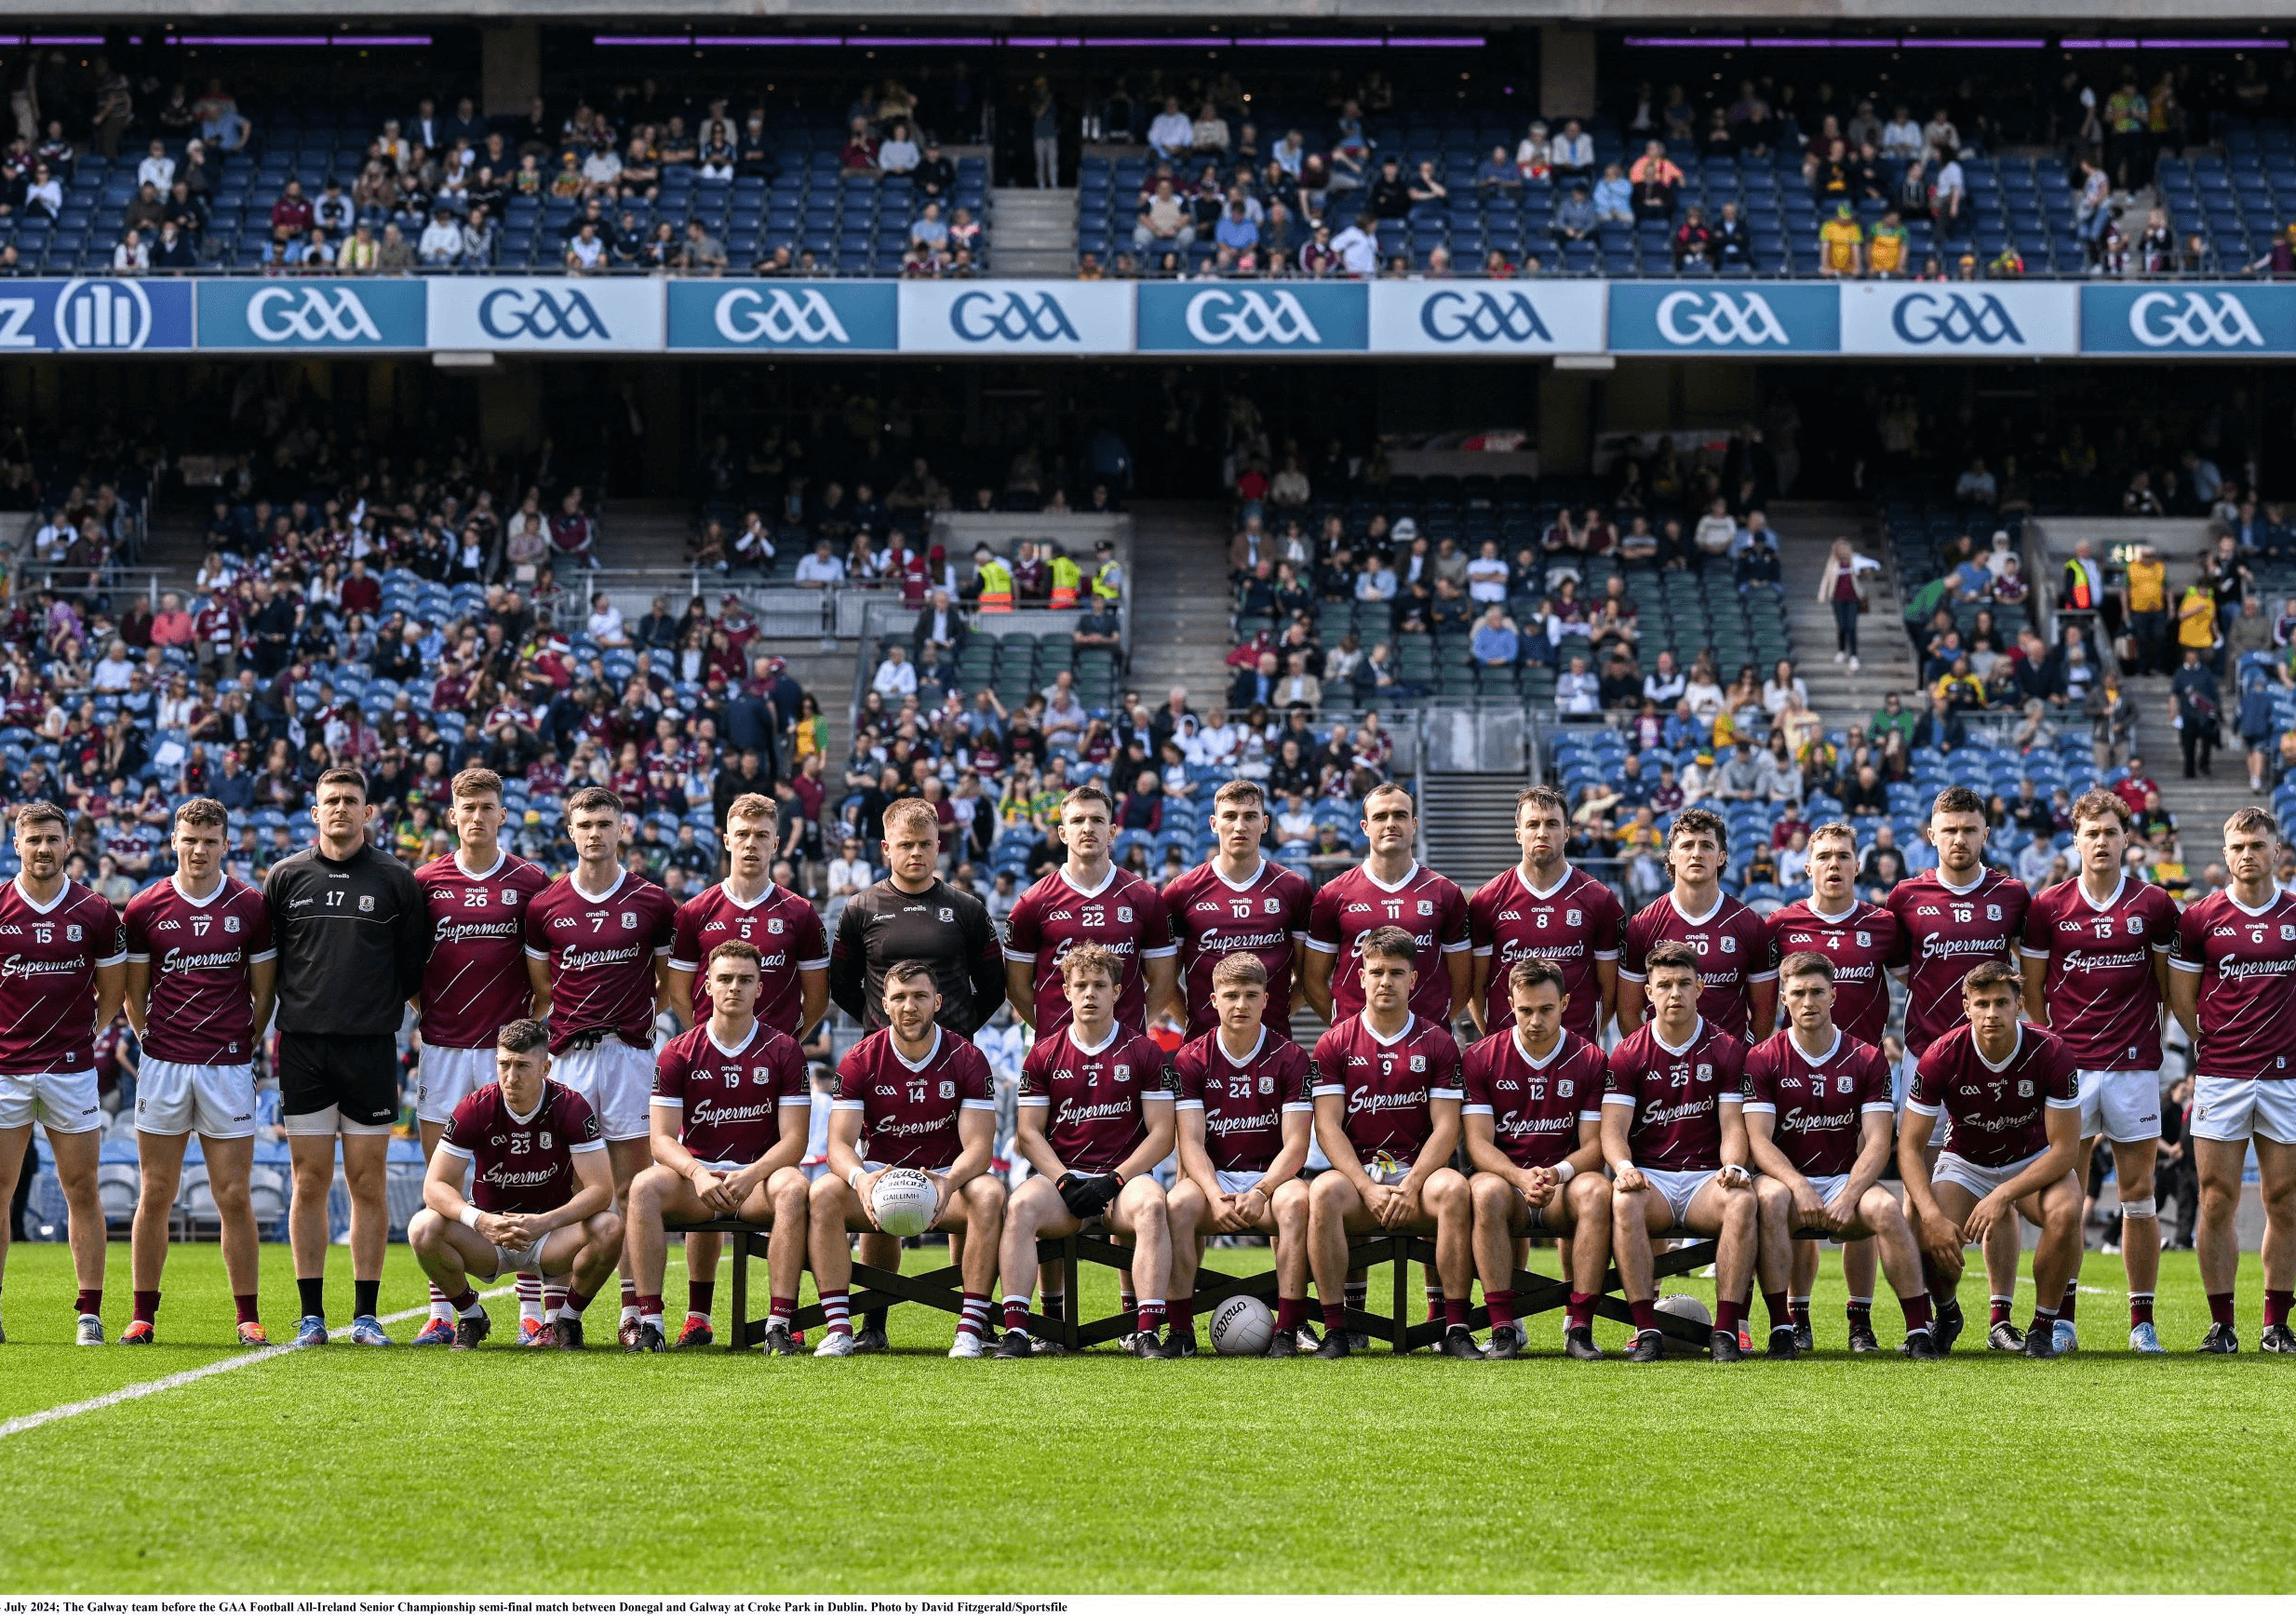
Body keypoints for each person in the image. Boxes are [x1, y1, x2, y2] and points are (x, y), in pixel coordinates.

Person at [263, 767, 427, 1348]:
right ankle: (311, 1314)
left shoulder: (395, 880)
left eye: (350, 801)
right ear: (314, 812)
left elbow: (412, 970)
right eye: (330, 800)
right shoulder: (285, 877)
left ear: (367, 812)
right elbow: (270, 966)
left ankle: (365, 1315)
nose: (339, 809)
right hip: (304, 1048)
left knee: (368, 1181)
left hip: (371, 1049)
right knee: (308, 1180)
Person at [2019, 789, 2180, 1354]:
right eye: (2091, 834)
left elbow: (2165, 985)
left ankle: (2142, 1323)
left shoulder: (2155, 904)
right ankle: (2062, 1319)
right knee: (2069, 1196)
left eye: (2111, 833)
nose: (2102, 842)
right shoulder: (2047, 907)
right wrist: (2054, 1053)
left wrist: (2146, 1040)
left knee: (2139, 1195)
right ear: (2076, 840)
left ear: (2126, 838)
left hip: (2134, 1066)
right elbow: (2032, 990)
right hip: (2072, 1071)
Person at [523, 785, 678, 1346]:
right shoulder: (545, 906)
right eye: (584, 823)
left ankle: (633, 1313)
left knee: (632, 1186)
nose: (595, 833)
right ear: (570, 832)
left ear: (622, 829)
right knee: (562, 1185)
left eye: (605, 823)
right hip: (568, 1059)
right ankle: (557, 1316)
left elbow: (667, 983)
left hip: (630, 1056)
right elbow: (543, 985)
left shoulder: (653, 901)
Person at [120, 799, 275, 1346]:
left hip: (227, 1068)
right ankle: (142, 1315)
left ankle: (247, 1316)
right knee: (155, 1191)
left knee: (233, 1194)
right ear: (174, 842)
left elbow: (263, 995)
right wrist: (153, 1042)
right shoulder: (144, 908)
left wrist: (240, 1043)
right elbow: (133, 998)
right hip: (163, 1067)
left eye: (209, 840)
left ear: (225, 844)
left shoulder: (251, 906)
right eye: (189, 839)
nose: (199, 850)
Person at [407, 768, 552, 1346]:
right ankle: (446, 1310)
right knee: (440, 1179)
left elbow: (542, 976)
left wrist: (521, 1032)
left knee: (519, 1175)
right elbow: (413, 971)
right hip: (443, 1049)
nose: (476, 817)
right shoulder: (425, 882)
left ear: (502, 814)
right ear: (452, 815)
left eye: (487, 807)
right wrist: (438, 1014)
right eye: (467, 807)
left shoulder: (530, 881)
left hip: (506, 1052)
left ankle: (531, 1310)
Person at [1746, 953, 1938, 1358]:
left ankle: (1919, 1329)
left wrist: (1850, 1195)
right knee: (1771, 1199)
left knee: (1887, 1208)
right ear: (1784, 999)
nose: (1808, 1001)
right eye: (1798, 993)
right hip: (1784, 1180)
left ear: (1834, 994)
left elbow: (1878, 1140)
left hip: (1840, 1180)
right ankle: (1784, 1327)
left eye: (1817, 992)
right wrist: (1797, 1185)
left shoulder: (1866, 1058)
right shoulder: (1762, 1057)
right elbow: (1759, 1142)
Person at [624, 941, 812, 1354]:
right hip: (698, 1179)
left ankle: (780, 1323)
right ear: (706, 985)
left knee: (795, 1187)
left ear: (760, 989)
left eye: (745, 980)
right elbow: (660, 1139)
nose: (734, 988)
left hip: (757, 1181)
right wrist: (696, 1173)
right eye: (724, 979)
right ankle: (651, 1323)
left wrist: (752, 1175)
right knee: (642, 1188)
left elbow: (795, 1140)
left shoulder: (784, 1049)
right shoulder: (678, 1051)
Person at [812, 960, 1004, 1358]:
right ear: (884, 1004)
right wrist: (860, 1179)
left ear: (937, 1001)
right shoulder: (860, 1058)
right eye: (899, 997)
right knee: (824, 1193)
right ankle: (842, 1327)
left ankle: (971, 1328)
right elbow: (838, 1145)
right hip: (880, 1177)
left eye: (919, 996)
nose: (909, 1006)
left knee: (989, 1194)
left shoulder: (967, 1057)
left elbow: (980, 1148)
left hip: (949, 1180)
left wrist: (950, 1182)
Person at [996, 945, 1180, 1359]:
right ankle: (1020, 1331)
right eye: (1081, 986)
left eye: (1100, 986)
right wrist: (1064, 1179)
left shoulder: (1145, 1051)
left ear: (1117, 991)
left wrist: (1114, 1180)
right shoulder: (1043, 1052)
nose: (1090, 994)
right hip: (1064, 1180)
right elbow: (1028, 1134)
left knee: (1153, 1206)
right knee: (1021, 1205)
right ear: (1065, 990)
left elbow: (1163, 1134)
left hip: (1123, 1182)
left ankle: (1146, 1330)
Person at [1762, 821, 1907, 1347]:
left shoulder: (1884, 925)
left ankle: (1859, 1319)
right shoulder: (1780, 925)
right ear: (1807, 866)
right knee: (1800, 1193)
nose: (1833, 864)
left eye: (1843, 856)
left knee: (1858, 1195)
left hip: (1863, 1079)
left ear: (1857, 864)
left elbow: (1918, 980)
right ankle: (1797, 1317)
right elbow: (1764, 998)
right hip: (1797, 1077)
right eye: (1823, 856)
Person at [1900, 962, 2085, 1360]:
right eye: (1981, 1003)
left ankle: (2042, 1327)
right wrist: (1932, 1216)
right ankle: (1947, 1314)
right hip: (1967, 1162)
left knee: (2067, 1210)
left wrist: (2003, 1195)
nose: (1991, 1013)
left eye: (2002, 1002)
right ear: (1966, 1007)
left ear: (2019, 1005)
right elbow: (1909, 1147)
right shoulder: (1940, 1055)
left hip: (2032, 1160)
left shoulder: (2051, 1051)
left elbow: (2066, 1149)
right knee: (1920, 1216)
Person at [1306, 926, 1473, 1360]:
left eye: (1396, 972)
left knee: (1456, 1189)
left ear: (1413, 980)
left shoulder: (1437, 1042)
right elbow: (1327, 1127)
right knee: (1322, 1191)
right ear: (1359, 976)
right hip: (1359, 1177)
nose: (1385, 981)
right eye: (1376, 971)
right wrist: (1366, 1186)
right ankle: (1336, 1328)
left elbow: (1447, 1127)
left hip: (1419, 1175)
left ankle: (1453, 1326)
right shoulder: (1334, 1042)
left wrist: (1412, 1185)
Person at [409, 1020, 623, 1350]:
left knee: (609, 1226)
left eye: (522, 1066)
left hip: (550, 1236)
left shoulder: (570, 1106)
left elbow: (600, 1190)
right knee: (422, 1226)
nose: (511, 1077)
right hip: (488, 1236)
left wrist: (545, 1223)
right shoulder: (475, 1107)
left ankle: (567, 1320)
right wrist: (480, 1220)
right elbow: (434, 1186)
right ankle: (471, 1315)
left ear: (545, 1067)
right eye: (504, 1064)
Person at [2169, 807, 2296, 1354]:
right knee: (2215, 1198)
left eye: (2257, 845)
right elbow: (2181, 996)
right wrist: (2213, 1042)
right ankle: (2222, 1325)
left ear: (2276, 851)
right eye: (2238, 846)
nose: (2248, 855)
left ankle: (2276, 1325)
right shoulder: (2199, 918)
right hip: (2221, 1077)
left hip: (2286, 1079)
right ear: (2225, 855)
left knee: (2285, 1200)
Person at [0, 802, 125, 1346]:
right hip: (4, 1071)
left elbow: (114, 991)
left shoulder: (95, 911)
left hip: (71, 1070)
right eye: (34, 840)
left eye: (53, 839)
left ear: (68, 843)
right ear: (17, 843)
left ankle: (89, 1312)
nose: (43, 849)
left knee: (82, 1189)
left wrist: (79, 1037)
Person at [1602, 942, 1758, 1362]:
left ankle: (1727, 1330)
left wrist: (1733, 1165)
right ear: (1648, 992)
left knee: (1742, 1200)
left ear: (1700, 988)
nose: (1675, 993)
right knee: (1624, 1200)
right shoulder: (1629, 1052)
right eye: (1665, 985)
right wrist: (1623, 1167)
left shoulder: (1725, 1048)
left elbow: (1731, 1125)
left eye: (1684, 984)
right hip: (1652, 1175)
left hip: (1706, 1178)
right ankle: (1645, 1329)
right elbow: (1613, 1129)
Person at [1165, 953, 1316, 1356]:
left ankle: (1287, 1327)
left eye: (1251, 995)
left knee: (1298, 1202)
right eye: (1231, 995)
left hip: (1271, 1180)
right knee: (1178, 1203)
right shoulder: (1190, 1058)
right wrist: (1214, 1194)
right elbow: (1191, 1143)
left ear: (1267, 999)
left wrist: (1263, 1191)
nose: (1241, 1005)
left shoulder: (1292, 1058)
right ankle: (1180, 1330)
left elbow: (1297, 1146)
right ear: (1212, 1000)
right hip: (1214, 1180)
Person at [1462, 958, 1612, 1360]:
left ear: (1565, 1002)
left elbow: (1596, 1146)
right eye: (1525, 1010)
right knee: (1485, 1191)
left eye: (1546, 1009)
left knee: (1598, 1191)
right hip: (1508, 1181)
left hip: (1565, 1181)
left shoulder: (1591, 1058)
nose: (1535, 1020)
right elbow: (1477, 1144)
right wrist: (1518, 1175)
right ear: (1510, 1002)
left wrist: (1557, 1173)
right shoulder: (1481, 1056)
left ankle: (1579, 1326)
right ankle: (1503, 1326)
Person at [1003, 783, 1178, 1038]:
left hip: (1126, 1052)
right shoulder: (1033, 902)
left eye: (1097, 820)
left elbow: (1163, 983)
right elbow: (1017, 988)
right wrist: (1052, 1033)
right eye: (1077, 820)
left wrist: (1132, 1030)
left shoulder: (1145, 898)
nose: (1087, 828)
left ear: (1112, 831)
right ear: (1063, 833)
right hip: (1059, 1055)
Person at [1301, 782, 1470, 1032]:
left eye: (1400, 815)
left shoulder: (1446, 893)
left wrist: (1432, 1027)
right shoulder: (1333, 895)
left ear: (1414, 824)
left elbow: (1463, 982)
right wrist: (1348, 1028)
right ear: (1365, 827)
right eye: (1380, 816)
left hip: (1426, 1045)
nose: (1390, 823)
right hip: (1355, 1048)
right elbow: (1312, 981)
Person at [828, 797, 1005, 1036]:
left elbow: (993, 989)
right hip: (885, 1056)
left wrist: (957, 1032)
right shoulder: (860, 907)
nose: (916, 853)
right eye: (906, 844)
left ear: (937, 846)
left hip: (951, 1057)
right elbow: (841, 986)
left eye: (925, 844)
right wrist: (880, 1025)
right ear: (886, 848)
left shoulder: (969, 909)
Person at [1466, 785, 1623, 1043]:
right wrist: (1495, 1040)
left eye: (1552, 824)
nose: (1542, 833)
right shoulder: (1488, 900)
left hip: (1576, 1056)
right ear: (1518, 834)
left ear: (1566, 833)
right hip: (1507, 1054)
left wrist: (1584, 1039)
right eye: (1532, 824)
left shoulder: (1599, 900)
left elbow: (1610, 991)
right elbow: (1476, 988)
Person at [1161, 779, 1313, 1040]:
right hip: (1203, 1047)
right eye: (1230, 816)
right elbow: (1163, 982)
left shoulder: (1293, 888)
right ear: (1213, 823)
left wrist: (1273, 1016)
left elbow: (1309, 979)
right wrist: (1195, 1021)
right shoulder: (1181, 892)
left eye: (1250, 816)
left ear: (1265, 824)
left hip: (1273, 1046)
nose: (1240, 826)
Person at [1616, 807, 1775, 1040]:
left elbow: (1765, 1015)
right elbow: (1628, 1014)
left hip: (1728, 1071)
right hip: (1664, 1069)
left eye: (1707, 846)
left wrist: (1740, 1059)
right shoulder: (1644, 925)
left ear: (1721, 857)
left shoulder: (1750, 925)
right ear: (1671, 855)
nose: (1696, 854)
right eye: (1687, 845)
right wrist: (1654, 1059)